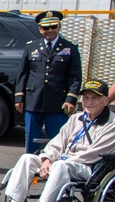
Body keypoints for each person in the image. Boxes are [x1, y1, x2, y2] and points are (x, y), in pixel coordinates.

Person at [0, 79, 115, 202]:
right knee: (27, 159)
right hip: (63, 162)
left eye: (94, 98)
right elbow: (58, 142)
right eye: (86, 98)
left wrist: (61, 161)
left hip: (89, 166)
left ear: (105, 101)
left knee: (60, 165)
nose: (89, 102)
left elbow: (97, 152)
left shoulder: (113, 122)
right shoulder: (77, 118)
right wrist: (47, 159)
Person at [14, 10, 83, 154]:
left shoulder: (70, 48)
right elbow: (23, 73)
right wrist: (19, 97)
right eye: (46, 28)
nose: (50, 30)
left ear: (59, 27)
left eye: (53, 26)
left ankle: (54, 167)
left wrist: (71, 99)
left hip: (58, 102)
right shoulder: (31, 47)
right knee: (32, 139)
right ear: (40, 29)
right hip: (33, 101)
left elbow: (75, 76)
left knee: (57, 139)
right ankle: (31, 165)